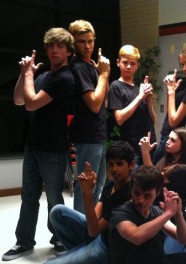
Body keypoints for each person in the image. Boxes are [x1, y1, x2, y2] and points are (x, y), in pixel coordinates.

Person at [2, 28, 75, 261]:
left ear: (68, 52)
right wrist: (25, 74)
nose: (54, 50)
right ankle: (23, 241)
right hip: (33, 145)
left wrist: (30, 77)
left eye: (60, 46)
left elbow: (32, 104)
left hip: (53, 147)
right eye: (51, 46)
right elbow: (18, 99)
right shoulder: (43, 76)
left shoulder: (65, 77)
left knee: (54, 197)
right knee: (28, 196)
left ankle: (60, 239)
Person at [38, 141, 135, 264]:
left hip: (107, 249)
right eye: (111, 164)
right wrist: (86, 191)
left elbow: (93, 230)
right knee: (57, 212)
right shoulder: (110, 184)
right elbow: (93, 221)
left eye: (119, 164)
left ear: (131, 165)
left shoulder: (128, 194)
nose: (114, 169)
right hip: (98, 236)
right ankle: (82, 256)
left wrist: (88, 193)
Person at [67, 19, 111, 214]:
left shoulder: (89, 66)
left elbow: (105, 99)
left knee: (98, 185)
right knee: (87, 187)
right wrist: (102, 75)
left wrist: (103, 74)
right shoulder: (78, 67)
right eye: (81, 41)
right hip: (87, 135)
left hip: (97, 134)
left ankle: (89, 229)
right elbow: (94, 104)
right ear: (73, 43)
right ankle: (81, 232)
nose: (87, 46)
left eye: (90, 41)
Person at [139, 127, 186, 253]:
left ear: (184, 145)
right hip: (156, 214)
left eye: (173, 140)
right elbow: (150, 175)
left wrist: (145, 152)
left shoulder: (184, 169)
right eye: (168, 138)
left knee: (168, 258)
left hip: (174, 220)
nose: (167, 141)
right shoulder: (166, 160)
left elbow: (154, 179)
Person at [153, 45, 186, 163]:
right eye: (182, 64)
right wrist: (171, 91)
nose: (185, 68)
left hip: (170, 136)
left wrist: (171, 92)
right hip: (171, 136)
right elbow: (171, 112)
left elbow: (173, 122)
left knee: (152, 174)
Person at [108, 44, 157, 166]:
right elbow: (119, 119)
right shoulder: (116, 86)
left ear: (137, 66)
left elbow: (153, 120)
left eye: (132, 63)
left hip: (148, 144)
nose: (129, 66)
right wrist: (141, 97)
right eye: (125, 62)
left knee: (150, 182)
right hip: (132, 148)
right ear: (118, 63)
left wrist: (149, 100)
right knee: (134, 183)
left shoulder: (137, 88)